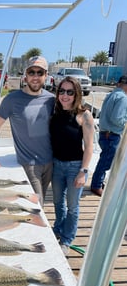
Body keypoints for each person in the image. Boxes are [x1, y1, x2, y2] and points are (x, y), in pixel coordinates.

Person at [0, 56, 55, 206]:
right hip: (30, 164)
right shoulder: (12, 99)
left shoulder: (52, 99)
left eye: (40, 73)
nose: (35, 76)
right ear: (25, 75)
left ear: (46, 76)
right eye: (31, 72)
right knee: (35, 204)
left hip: (51, 162)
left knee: (42, 201)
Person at [50, 76, 94, 256]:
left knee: (72, 206)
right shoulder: (56, 112)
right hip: (56, 165)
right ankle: (58, 228)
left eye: (70, 92)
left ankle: (67, 239)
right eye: (62, 91)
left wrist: (83, 172)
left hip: (75, 166)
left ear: (77, 94)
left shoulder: (84, 115)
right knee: (57, 201)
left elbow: (89, 147)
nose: (65, 95)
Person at [91, 75, 127, 196]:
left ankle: (98, 183)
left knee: (104, 160)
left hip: (104, 134)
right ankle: (96, 186)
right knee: (105, 162)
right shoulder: (122, 98)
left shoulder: (111, 95)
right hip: (112, 135)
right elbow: (117, 119)